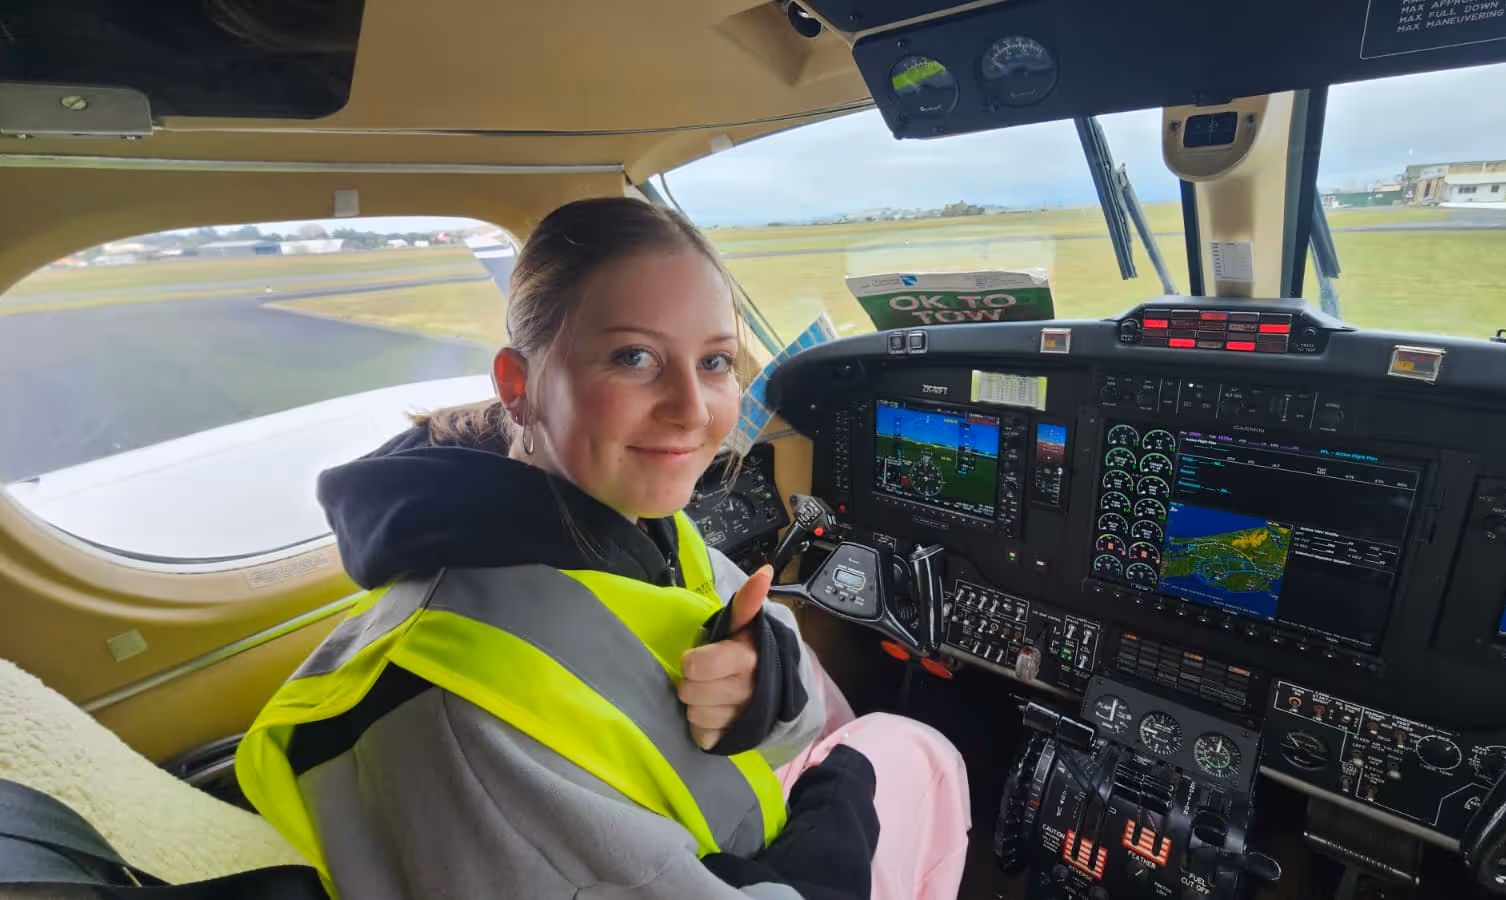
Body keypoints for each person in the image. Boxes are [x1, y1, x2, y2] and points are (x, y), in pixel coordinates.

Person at [236, 196, 971, 900]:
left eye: (715, 362)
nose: (691, 410)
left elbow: (735, 634)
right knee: (915, 750)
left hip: (705, 826)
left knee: (900, 739)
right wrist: (839, 808)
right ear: (518, 386)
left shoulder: (623, 519)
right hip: (733, 860)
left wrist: (761, 677)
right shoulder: (463, 713)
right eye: (633, 357)